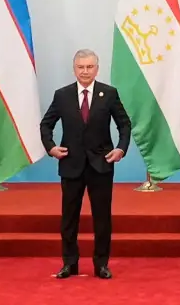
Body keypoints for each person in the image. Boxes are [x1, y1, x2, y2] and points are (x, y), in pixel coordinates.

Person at [40, 49, 131, 279]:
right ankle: (69, 263)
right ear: (74, 69)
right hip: (71, 165)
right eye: (80, 67)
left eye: (89, 67)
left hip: (101, 165)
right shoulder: (62, 95)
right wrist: (51, 147)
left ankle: (101, 264)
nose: (85, 71)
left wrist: (120, 148)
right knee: (69, 218)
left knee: (102, 218)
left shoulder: (109, 94)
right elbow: (46, 124)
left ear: (97, 69)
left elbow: (124, 124)